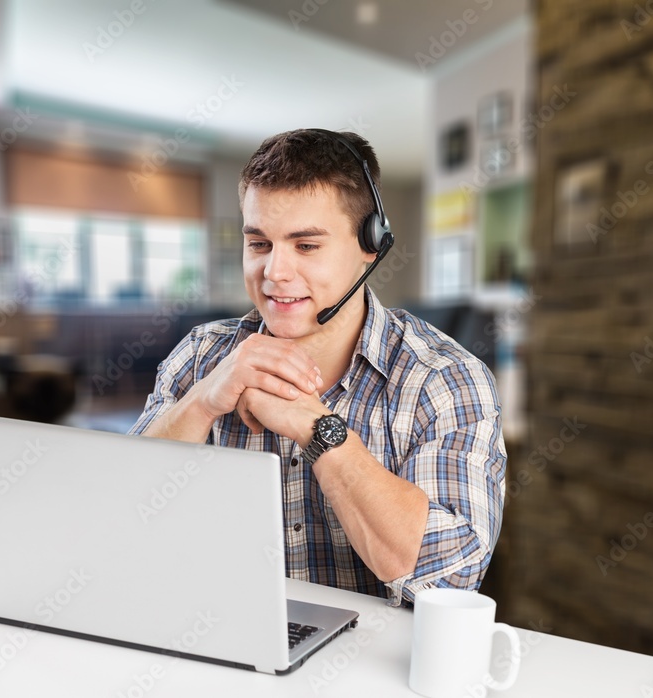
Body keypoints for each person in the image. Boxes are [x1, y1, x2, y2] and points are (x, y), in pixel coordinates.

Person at [129, 128, 507, 606]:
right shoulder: (201, 356)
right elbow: (122, 515)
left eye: (305, 246)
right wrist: (201, 403)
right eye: (259, 244)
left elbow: (451, 579)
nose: (274, 273)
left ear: (372, 244)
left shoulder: (445, 380)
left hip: (372, 672)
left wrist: (319, 428)